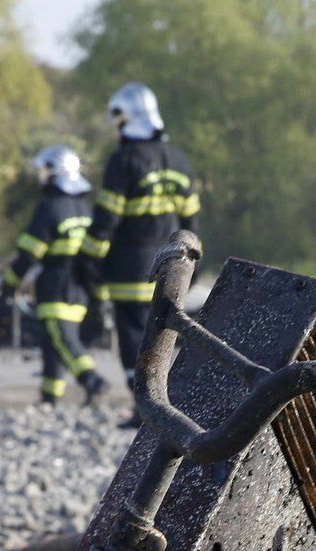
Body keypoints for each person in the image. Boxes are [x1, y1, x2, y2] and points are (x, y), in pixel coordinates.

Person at [81, 82, 199, 421]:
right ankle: (170, 406)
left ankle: (144, 408)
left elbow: (107, 218)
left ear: (126, 119)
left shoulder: (124, 160)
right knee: (166, 333)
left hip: (130, 268)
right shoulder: (179, 161)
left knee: (134, 335)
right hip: (173, 269)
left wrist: (88, 258)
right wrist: (194, 263)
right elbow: (192, 219)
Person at [5, 145, 107, 406]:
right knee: (52, 342)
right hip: (82, 288)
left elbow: (30, 252)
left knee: (64, 340)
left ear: (56, 173)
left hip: (55, 286)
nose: (41, 176)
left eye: (44, 170)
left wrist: (10, 281)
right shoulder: (87, 209)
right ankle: (50, 396)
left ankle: (92, 380)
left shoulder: (49, 208)